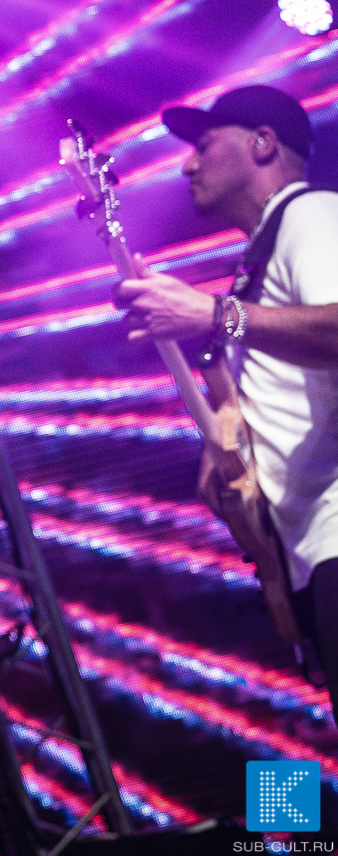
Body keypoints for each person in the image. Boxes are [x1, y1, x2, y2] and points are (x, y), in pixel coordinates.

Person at [112, 84, 338, 704]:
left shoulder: (311, 215)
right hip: (308, 555)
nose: (188, 165)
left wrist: (217, 316)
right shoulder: (260, 257)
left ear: (262, 144)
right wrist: (228, 451)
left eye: (204, 145)